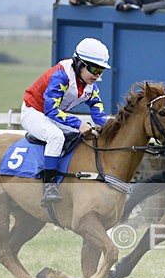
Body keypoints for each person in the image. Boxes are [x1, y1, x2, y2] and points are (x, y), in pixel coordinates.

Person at [20, 38, 111, 205]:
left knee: (85, 135)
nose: (97, 75)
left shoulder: (91, 85)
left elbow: (98, 111)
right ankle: (49, 187)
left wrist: (111, 126)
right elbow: (51, 110)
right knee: (56, 137)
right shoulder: (61, 75)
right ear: (79, 64)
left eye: (101, 71)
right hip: (34, 112)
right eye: (94, 69)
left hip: (53, 114)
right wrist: (78, 123)